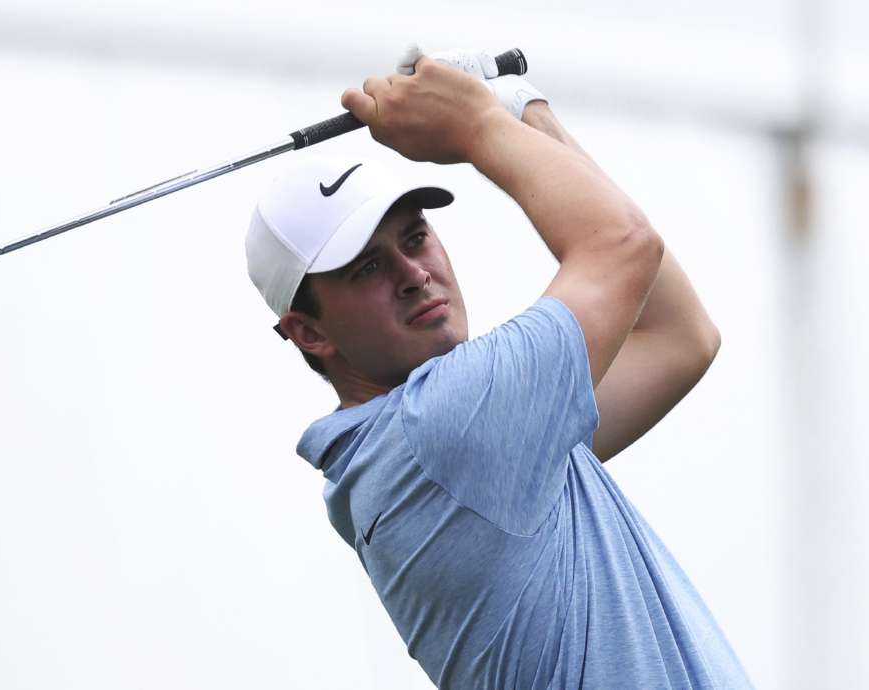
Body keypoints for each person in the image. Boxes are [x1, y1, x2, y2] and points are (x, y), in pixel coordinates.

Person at [244, 48, 753, 689]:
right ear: (310, 332)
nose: (414, 274)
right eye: (367, 267)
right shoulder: (443, 426)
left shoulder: (443, 451)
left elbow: (677, 338)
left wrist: (520, 110)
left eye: (415, 237)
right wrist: (478, 126)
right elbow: (624, 247)